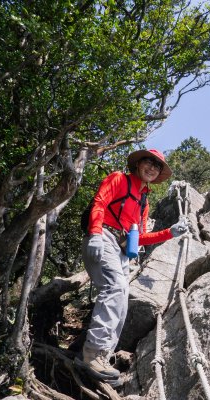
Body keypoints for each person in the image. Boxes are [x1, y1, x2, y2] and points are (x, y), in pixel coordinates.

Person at [75, 148, 188, 385]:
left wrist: (170, 232)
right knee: (115, 288)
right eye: (149, 162)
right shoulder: (119, 179)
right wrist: (95, 233)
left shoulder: (143, 201)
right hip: (103, 237)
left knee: (122, 297)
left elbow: (141, 237)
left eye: (157, 166)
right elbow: (99, 202)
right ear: (138, 164)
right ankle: (92, 353)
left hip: (120, 250)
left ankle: (102, 359)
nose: (153, 168)